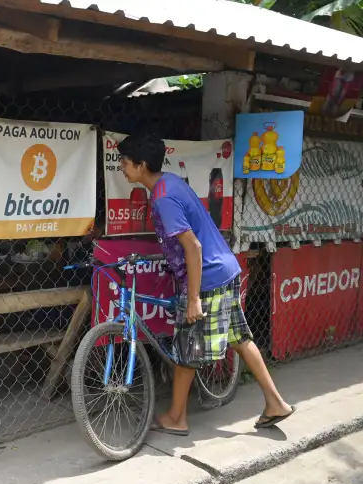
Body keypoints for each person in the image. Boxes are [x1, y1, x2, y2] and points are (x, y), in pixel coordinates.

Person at [117, 133, 295, 435]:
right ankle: (275, 403)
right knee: (240, 339)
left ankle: (176, 417)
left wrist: (194, 298)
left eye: (124, 162)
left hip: (208, 276)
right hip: (224, 268)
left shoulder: (162, 197)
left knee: (188, 347)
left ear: (141, 164)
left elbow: (194, 248)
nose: (121, 167)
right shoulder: (168, 182)